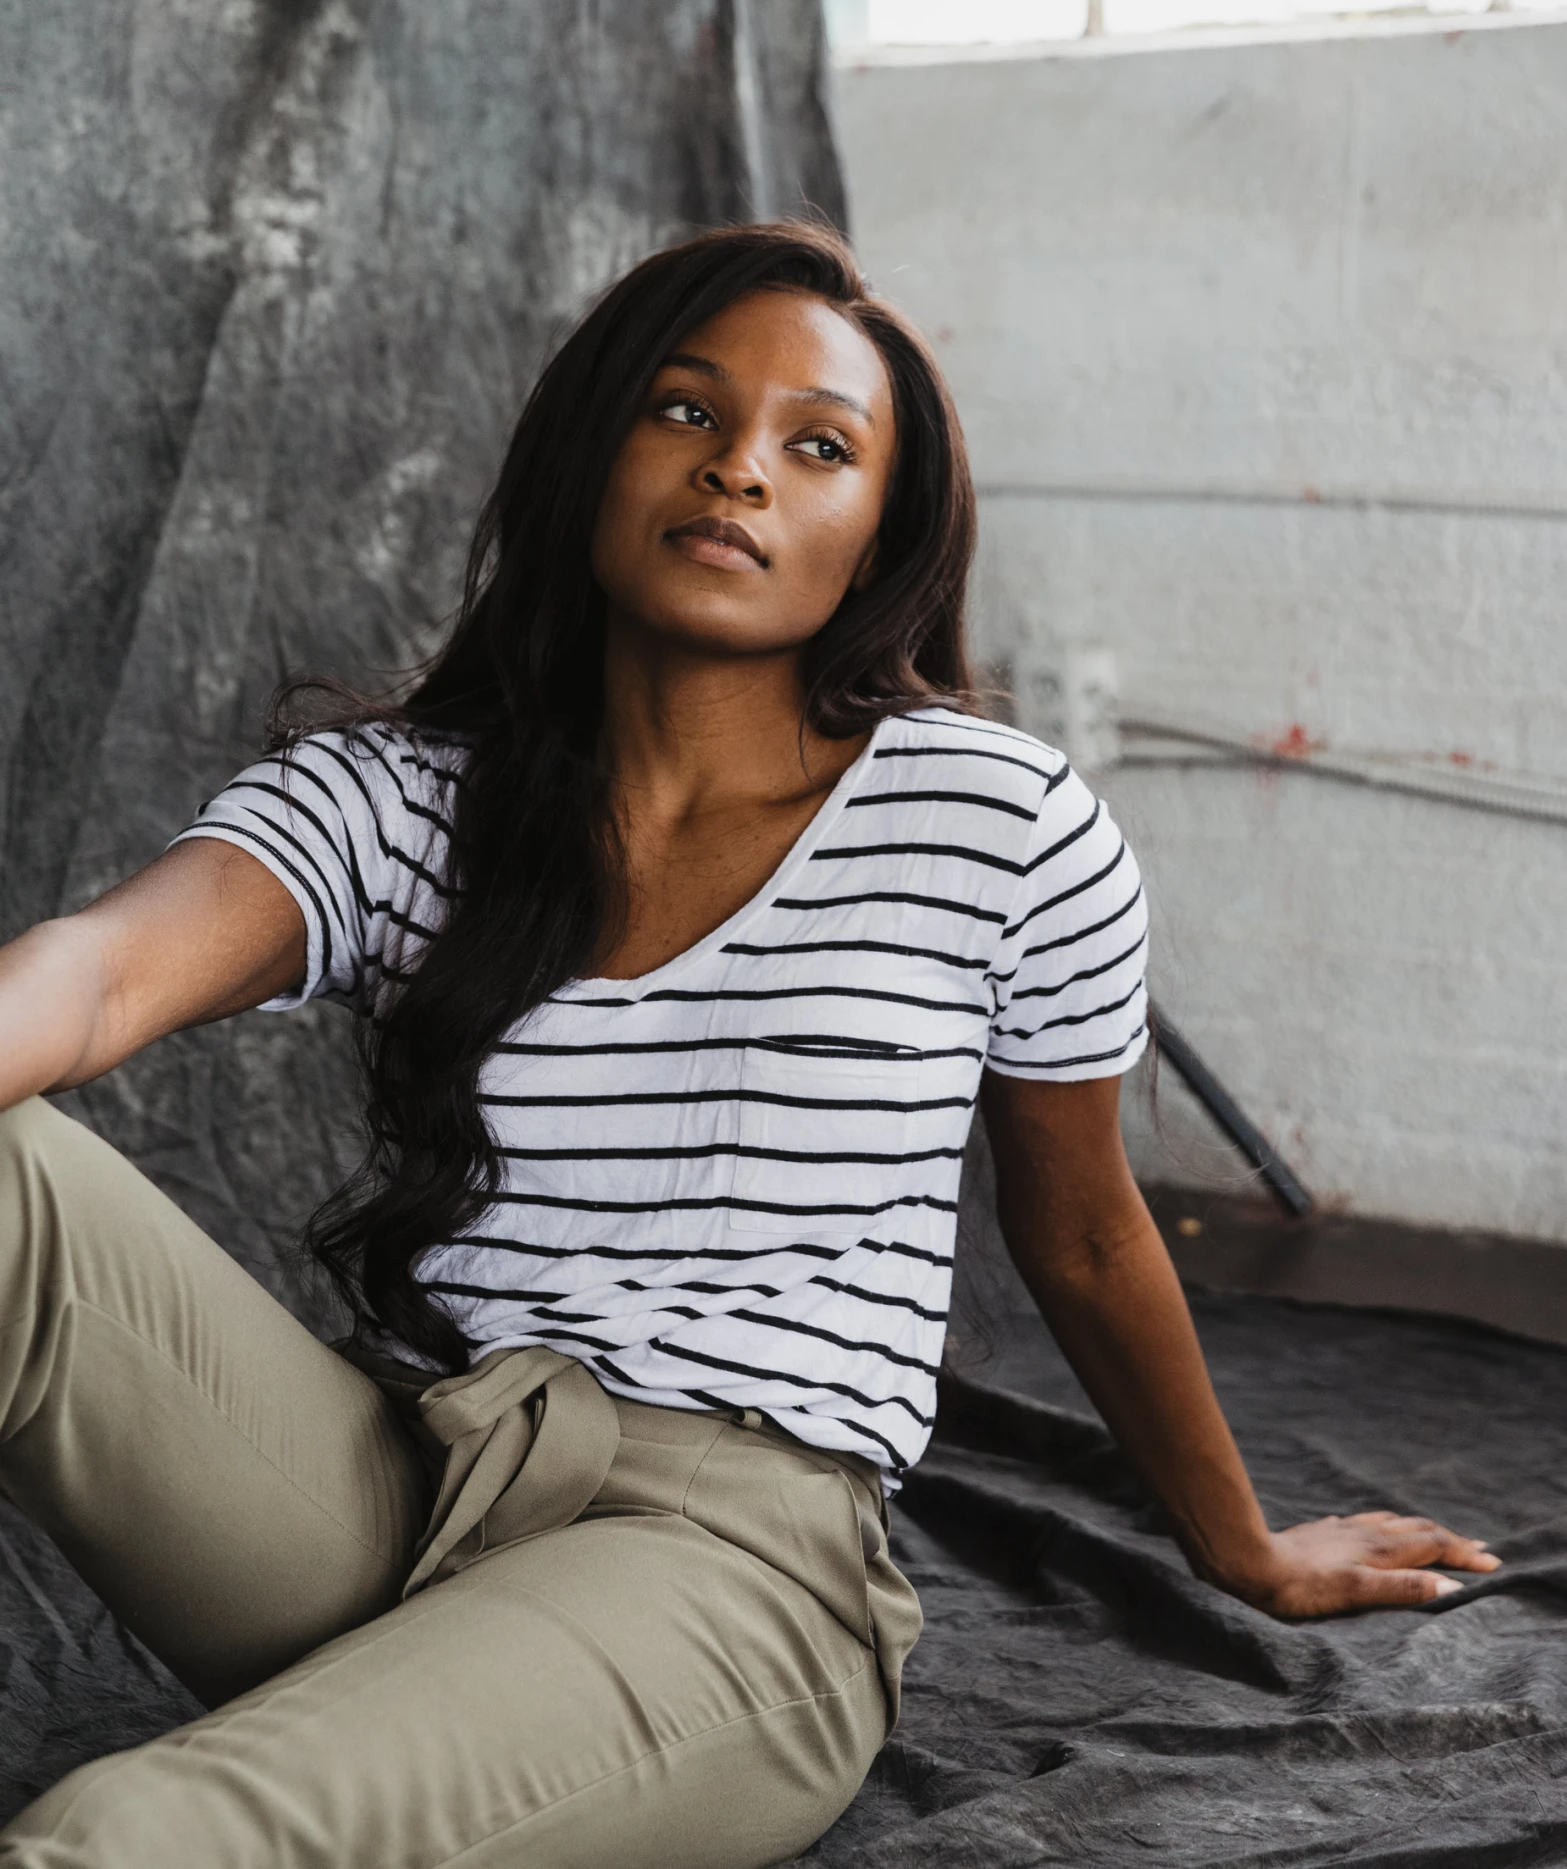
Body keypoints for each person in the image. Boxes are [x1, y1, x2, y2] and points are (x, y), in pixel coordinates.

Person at [0, 222, 1496, 1867]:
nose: (740, 474)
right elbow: (88, 982)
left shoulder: (996, 822)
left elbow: (1077, 1225)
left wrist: (1245, 1546)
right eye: (686, 413)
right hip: (399, 1483)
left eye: (818, 445)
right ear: (591, 450)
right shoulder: (407, 798)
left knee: (119, 1832)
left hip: (729, 1564)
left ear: (875, 535)